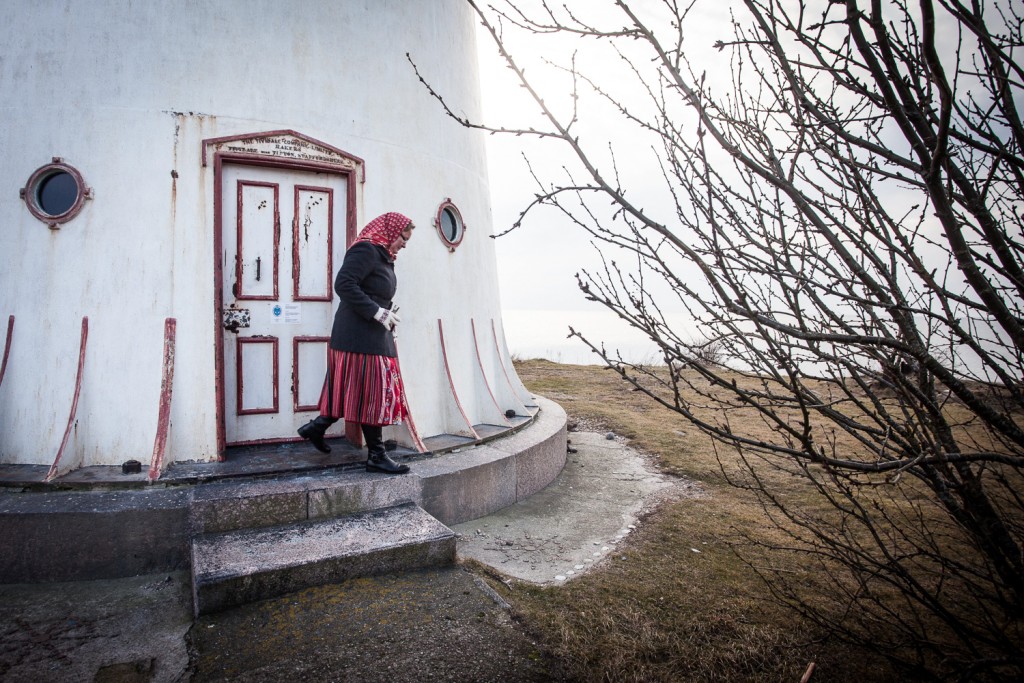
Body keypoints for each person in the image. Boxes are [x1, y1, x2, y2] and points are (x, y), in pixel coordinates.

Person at [297, 212, 414, 474]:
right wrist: (377, 311)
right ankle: (376, 456)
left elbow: (370, 290)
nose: (405, 244)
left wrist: (386, 311)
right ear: (390, 231)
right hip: (358, 335)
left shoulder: (384, 257)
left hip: (371, 334)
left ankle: (316, 428)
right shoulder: (366, 249)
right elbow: (344, 284)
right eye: (403, 238)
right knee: (371, 395)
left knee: (355, 391)